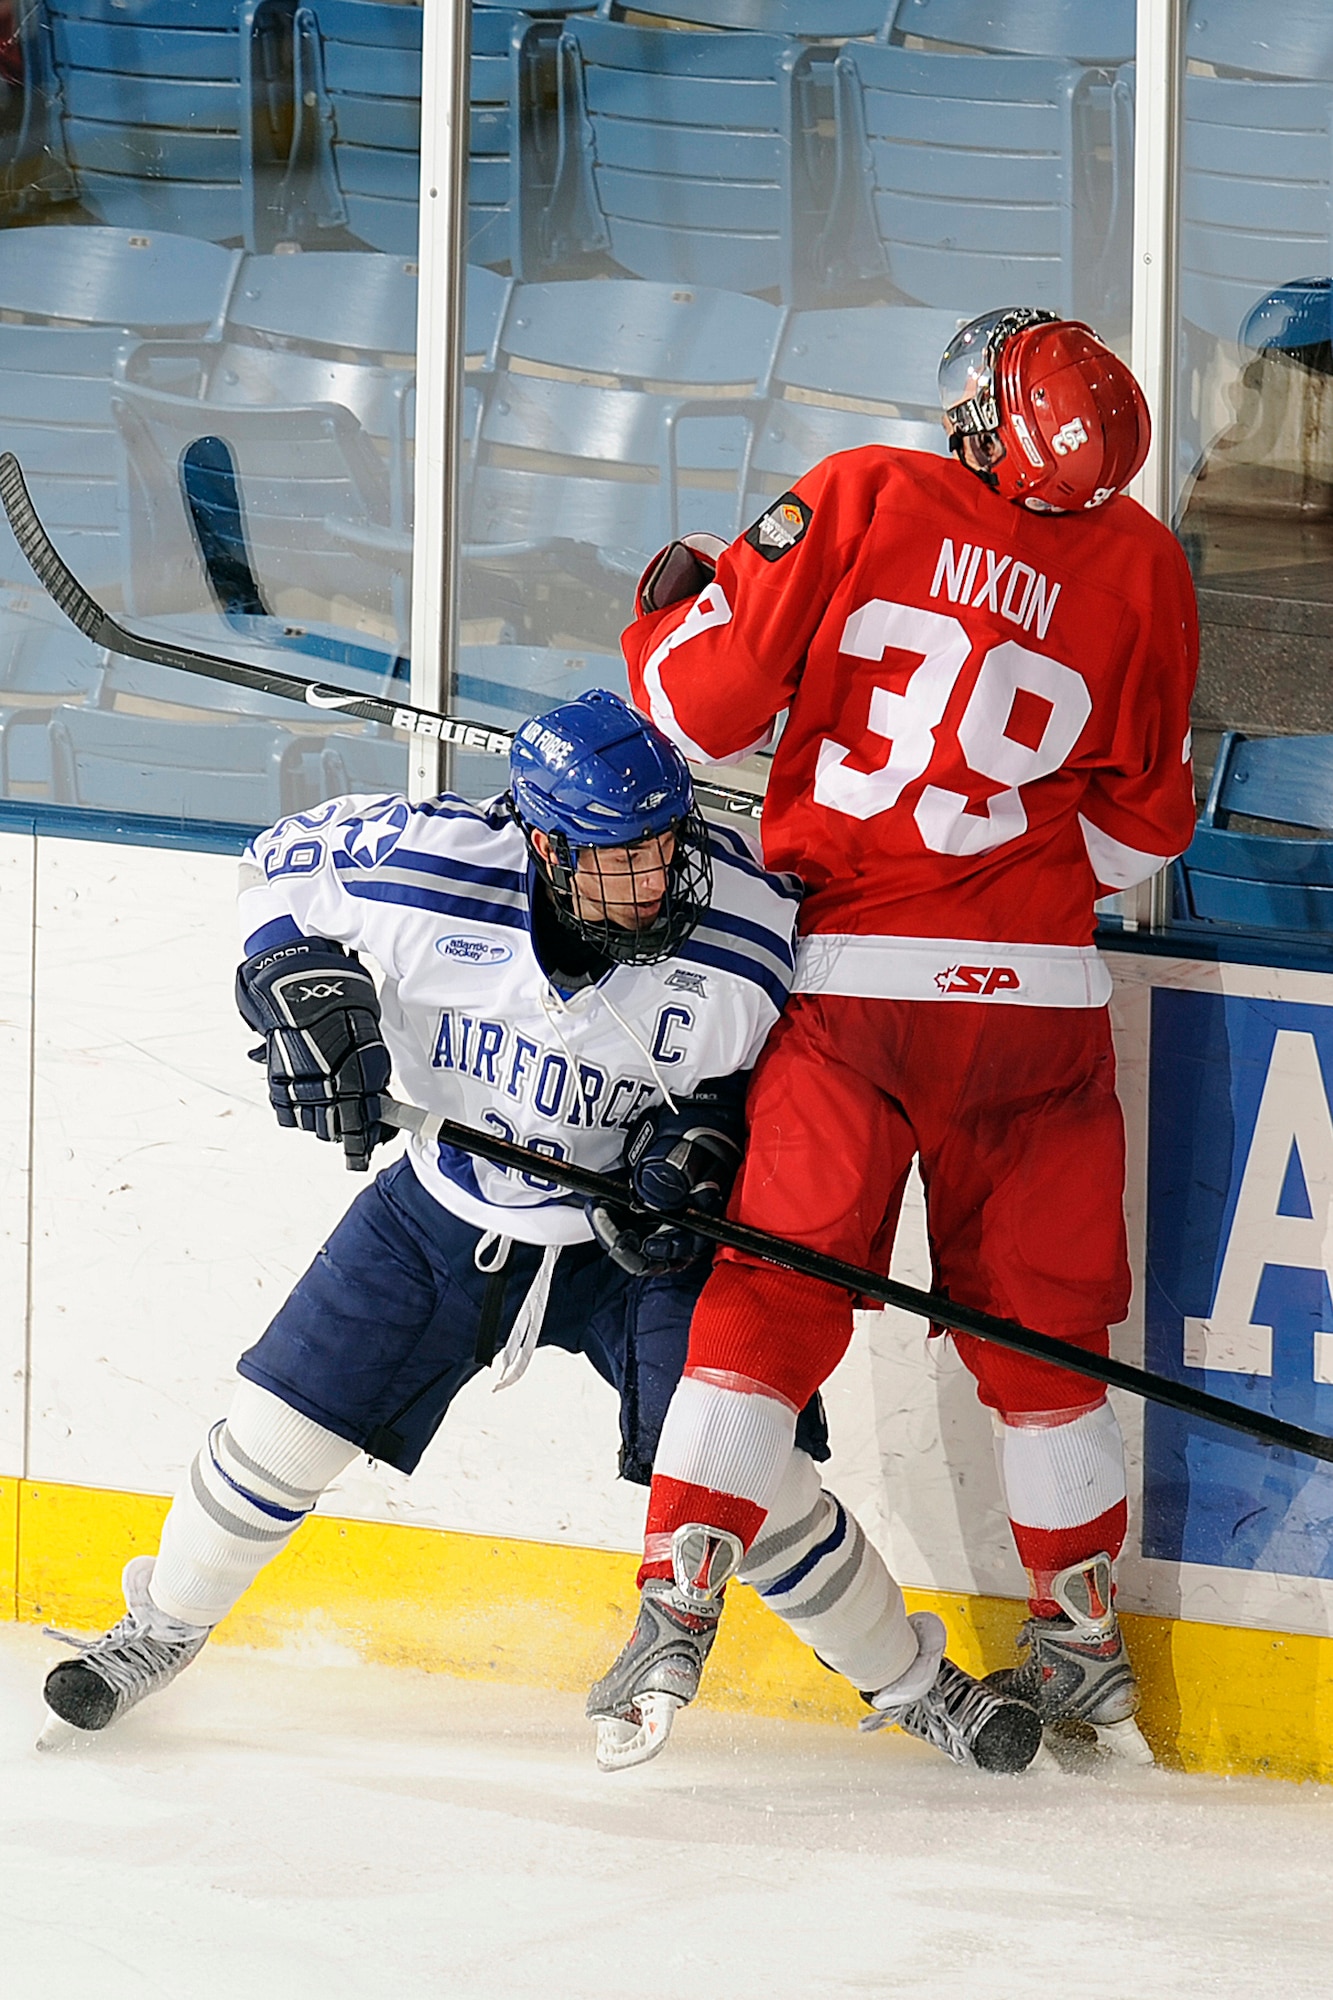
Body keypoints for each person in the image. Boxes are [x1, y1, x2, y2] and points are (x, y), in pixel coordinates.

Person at [40, 688, 1040, 1775]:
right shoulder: (429, 866)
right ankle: (158, 1630)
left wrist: (698, 1150)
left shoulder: (751, 925)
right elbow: (274, 860)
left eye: (667, 845)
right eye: (622, 859)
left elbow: (781, 1085)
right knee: (276, 1433)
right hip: (442, 1211)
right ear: (547, 844)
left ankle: (915, 1683)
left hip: (635, 1257)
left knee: (754, 1478)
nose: (657, 879)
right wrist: (291, 976)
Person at [593, 307, 1200, 1766]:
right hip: (1041, 1008)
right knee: (1050, 1337)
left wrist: (666, 605)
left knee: (767, 1301)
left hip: (856, 988)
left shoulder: (865, 491)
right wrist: (1012, 884)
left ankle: (677, 1606)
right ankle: (1084, 1641)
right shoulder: (1145, 564)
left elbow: (690, 705)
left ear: (987, 425)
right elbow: (1134, 825)